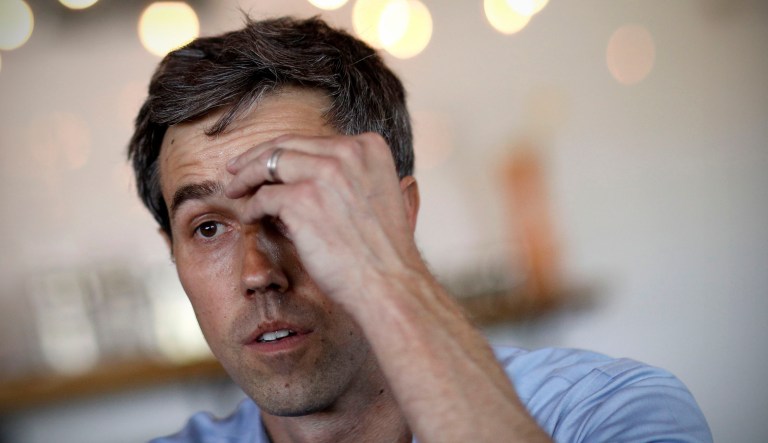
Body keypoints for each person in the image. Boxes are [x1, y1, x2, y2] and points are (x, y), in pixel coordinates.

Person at [128, 16, 712, 443]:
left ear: (398, 214)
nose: (258, 273)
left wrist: (388, 279)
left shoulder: (604, 413)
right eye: (207, 229)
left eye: (296, 208)